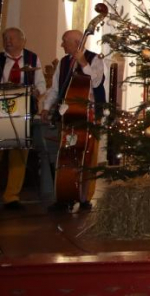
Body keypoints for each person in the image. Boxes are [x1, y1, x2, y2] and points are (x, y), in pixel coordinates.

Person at [41, 29, 106, 211]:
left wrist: (83, 63)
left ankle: (84, 198)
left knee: (87, 156)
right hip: (68, 115)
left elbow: (96, 82)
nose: (62, 44)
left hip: (89, 115)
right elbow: (56, 88)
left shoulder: (95, 59)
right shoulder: (63, 62)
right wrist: (46, 107)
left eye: (65, 41)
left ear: (77, 43)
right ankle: (65, 195)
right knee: (66, 156)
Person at [0, 28, 46, 210]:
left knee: (19, 153)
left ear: (22, 40)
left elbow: (41, 84)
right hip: (1, 109)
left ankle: (12, 196)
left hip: (22, 110)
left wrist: (36, 91)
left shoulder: (32, 59)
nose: (8, 41)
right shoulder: (0, 59)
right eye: (5, 38)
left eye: (11, 38)